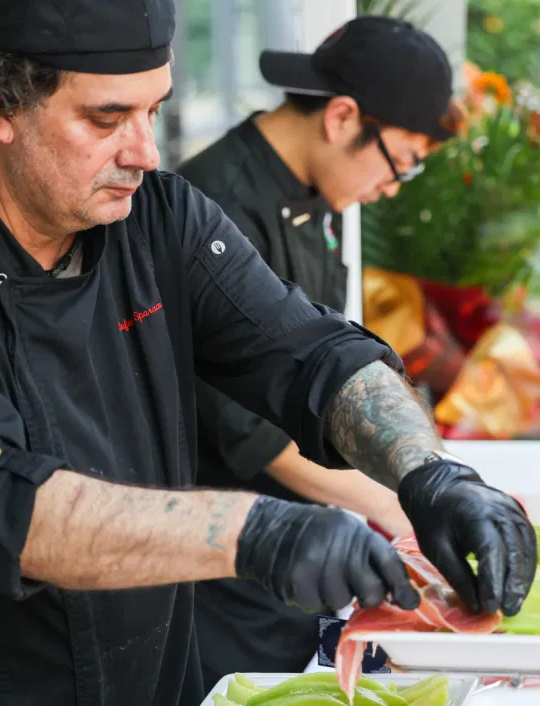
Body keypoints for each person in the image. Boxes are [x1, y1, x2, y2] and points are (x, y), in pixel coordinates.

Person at [0, 2, 537, 705]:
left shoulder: (161, 218)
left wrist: (428, 472)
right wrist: (255, 532)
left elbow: (311, 352)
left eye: (154, 111)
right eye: (106, 120)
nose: (144, 152)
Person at [176, 16, 459, 681]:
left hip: (298, 534)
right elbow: (250, 431)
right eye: (402, 163)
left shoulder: (316, 193)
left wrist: (422, 465)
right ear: (340, 117)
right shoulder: (213, 203)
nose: (391, 187)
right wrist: (397, 501)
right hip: (217, 542)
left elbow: (327, 351)